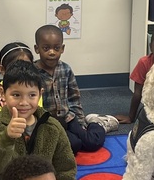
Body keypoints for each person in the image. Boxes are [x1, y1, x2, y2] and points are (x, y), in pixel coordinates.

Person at [33, 24, 117, 154]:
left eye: (56, 48)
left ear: (62, 48)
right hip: (47, 123)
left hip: (68, 118)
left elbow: (74, 98)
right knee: (74, 145)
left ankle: (98, 123)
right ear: (37, 49)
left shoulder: (66, 69)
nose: (52, 52)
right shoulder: (32, 73)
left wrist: (81, 122)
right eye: (46, 48)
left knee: (92, 143)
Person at [0, 41, 37, 117]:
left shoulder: (35, 88)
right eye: (16, 95)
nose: (22, 71)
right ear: (2, 69)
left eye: (26, 66)